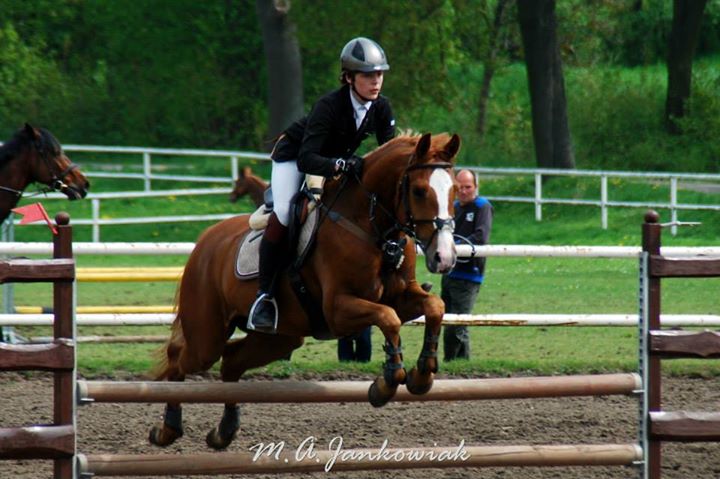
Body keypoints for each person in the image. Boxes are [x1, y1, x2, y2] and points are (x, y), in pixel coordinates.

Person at [247, 37, 396, 334]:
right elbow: (307, 158)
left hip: (333, 160)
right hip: (294, 158)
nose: (376, 81)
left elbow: (388, 152)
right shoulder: (329, 106)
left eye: (379, 74)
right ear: (349, 78)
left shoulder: (382, 107)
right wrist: (341, 164)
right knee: (286, 213)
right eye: (368, 75)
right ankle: (265, 296)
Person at [442, 169, 493, 360]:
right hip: (449, 272)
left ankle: (455, 363)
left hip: (468, 273)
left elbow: (481, 237)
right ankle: (456, 364)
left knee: (457, 325)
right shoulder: (453, 207)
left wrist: (454, 246)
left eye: (468, 187)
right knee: (447, 321)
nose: (463, 191)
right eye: (459, 187)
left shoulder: (482, 206)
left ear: (476, 187)